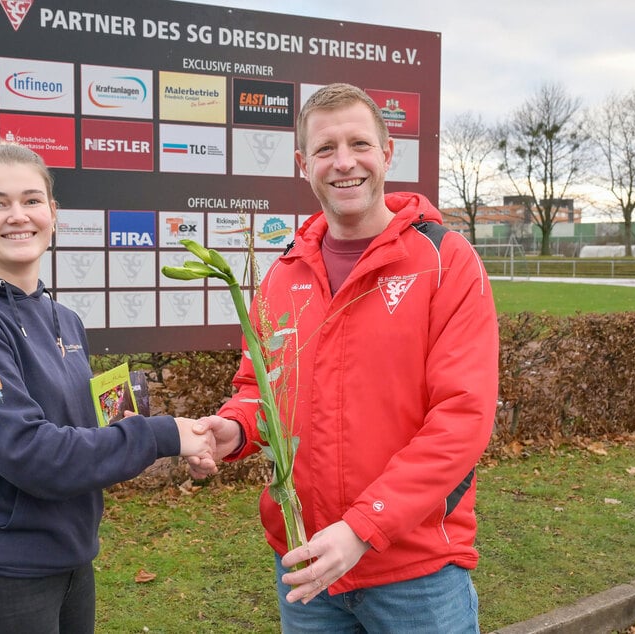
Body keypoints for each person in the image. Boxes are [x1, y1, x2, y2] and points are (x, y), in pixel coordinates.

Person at [190, 83, 499, 633]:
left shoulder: (445, 261)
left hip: (415, 574)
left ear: (387, 153)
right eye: (326, 149)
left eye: (359, 143)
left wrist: (362, 528)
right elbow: (262, 390)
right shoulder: (284, 275)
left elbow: (462, 418)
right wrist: (234, 429)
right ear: (302, 164)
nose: (344, 163)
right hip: (310, 570)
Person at [0, 140, 214, 633]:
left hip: (71, 561)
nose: (18, 216)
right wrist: (163, 435)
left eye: (31, 200)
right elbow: (31, 453)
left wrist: (165, 438)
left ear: (53, 213)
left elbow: (82, 426)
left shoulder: (65, 319)